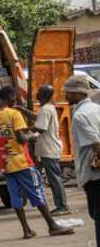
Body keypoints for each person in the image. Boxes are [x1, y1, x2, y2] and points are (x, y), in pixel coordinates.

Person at [0, 85, 75, 240]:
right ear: (12, 97)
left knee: (15, 196)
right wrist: (31, 137)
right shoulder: (14, 114)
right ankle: (52, 226)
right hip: (22, 161)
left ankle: (26, 229)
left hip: (5, 163)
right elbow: (21, 138)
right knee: (37, 191)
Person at [64, 74, 100, 247]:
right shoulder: (96, 108)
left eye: (68, 93)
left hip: (94, 174)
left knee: (98, 215)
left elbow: (96, 143)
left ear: (76, 93)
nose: (66, 96)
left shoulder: (80, 115)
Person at [32, 84, 70, 215]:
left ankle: (62, 206)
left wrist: (26, 132)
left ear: (42, 95)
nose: (36, 93)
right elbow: (39, 121)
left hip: (49, 149)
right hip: (48, 149)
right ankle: (60, 205)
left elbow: (40, 128)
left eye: (39, 91)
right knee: (53, 178)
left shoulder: (45, 110)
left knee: (54, 179)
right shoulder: (47, 108)